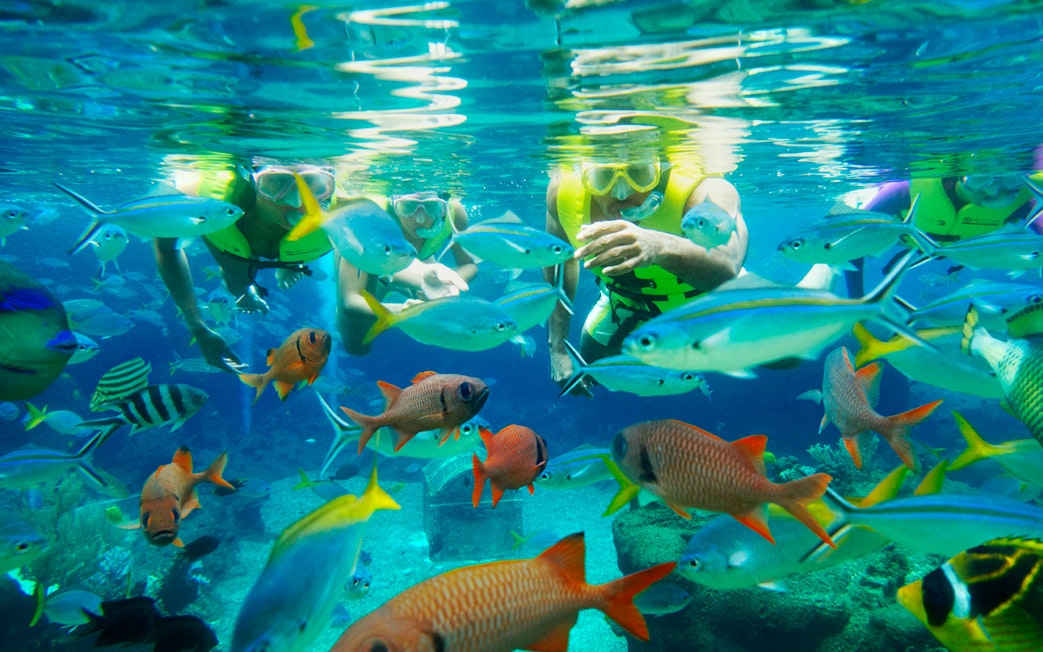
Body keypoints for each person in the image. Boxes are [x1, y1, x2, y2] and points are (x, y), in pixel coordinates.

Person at [544, 154, 748, 395]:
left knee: (781, 359)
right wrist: (557, 347)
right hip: (624, 304)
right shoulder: (563, 195)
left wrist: (659, 245)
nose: (621, 194)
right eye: (602, 177)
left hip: (706, 304)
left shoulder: (704, 190)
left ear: (660, 168)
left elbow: (727, 267)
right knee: (590, 364)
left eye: (639, 174)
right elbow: (556, 262)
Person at [155, 163, 338, 372]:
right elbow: (167, 248)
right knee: (239, 281)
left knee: (303, 246)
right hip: (235, 242)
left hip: (302, 247)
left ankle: (292, 261)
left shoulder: (347, 212)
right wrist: (199, 328)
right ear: (250, 177)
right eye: (275, 182)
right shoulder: (198, 197)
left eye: (313, 185)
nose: (296, 202)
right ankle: (245, 285)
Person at [844, 174, 1041, 297]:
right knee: (844, 235)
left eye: (1010, 178)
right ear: (960, 174)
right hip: (897, 240)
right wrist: (858, 301)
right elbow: (850, 244)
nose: (994, 191)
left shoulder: (1027, 199)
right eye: (980, 178)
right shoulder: (905, 189)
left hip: (950, 249)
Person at [336, 190, 477, 356]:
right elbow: (351, 301)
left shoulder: (455, 215)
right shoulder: (367, 218)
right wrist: (406, 312)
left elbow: (468, 265)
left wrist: (449, 282)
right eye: (407, 207)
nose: (420, 219)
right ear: (393, 203)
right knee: (357, 348)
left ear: (444, 206)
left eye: (432, 207)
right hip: (367, 271)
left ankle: (416, 285)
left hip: (421, 266)